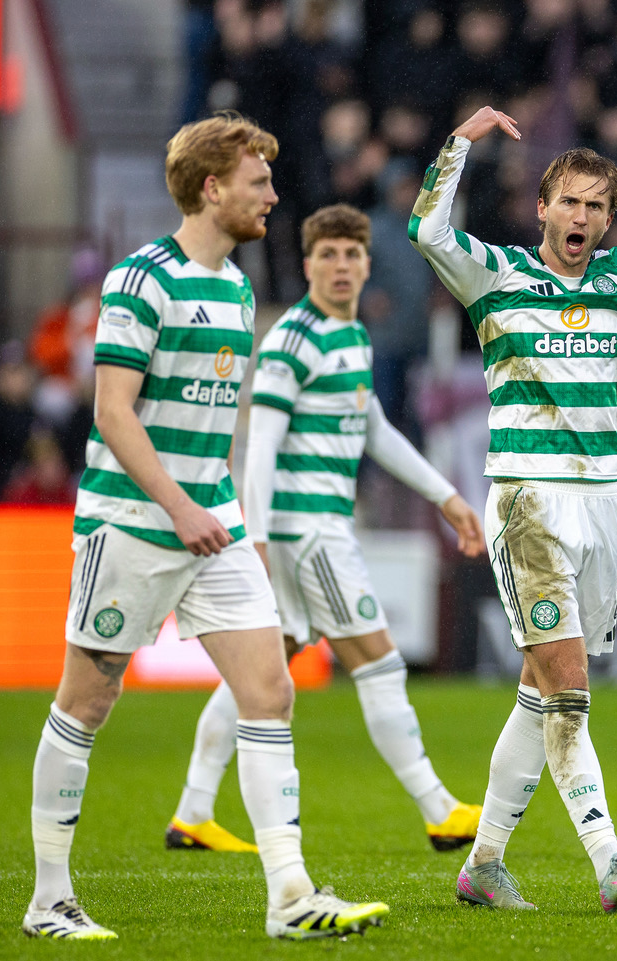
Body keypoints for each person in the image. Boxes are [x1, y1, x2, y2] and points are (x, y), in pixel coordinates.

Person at [21, 113, 389, 942]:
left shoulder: (237, 289)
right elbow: (113, 413)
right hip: (130, 521)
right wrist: (177, 505)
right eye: (259, 181)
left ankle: (290, 894)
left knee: (270, 690)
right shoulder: (140, 279)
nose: (273, 195)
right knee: (87, 699)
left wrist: (215, 506)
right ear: (212, 187)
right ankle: (48, 900)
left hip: (211, 522)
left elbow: (214, 421)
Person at [409, 82, 617, 913]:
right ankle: (608, 858)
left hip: (601, 505)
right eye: (568, 200)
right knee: (568, 687)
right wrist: (459, 142)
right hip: (528, 504)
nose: (581, 215)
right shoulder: (494, 274)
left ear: (607, 219)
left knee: (540, 690)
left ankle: (483, 863)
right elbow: (427, 230)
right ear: (541, 207)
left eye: (596, 205)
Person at [165, 202, 487, 855]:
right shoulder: (293, 339)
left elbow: (375, 431)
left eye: (351, 255)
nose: (340, 266)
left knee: (262, 669)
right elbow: (258, 445)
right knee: (380, 662)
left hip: (309, 529)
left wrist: (446, 496)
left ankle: (193, 811)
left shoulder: (353, 336)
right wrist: (255, 538)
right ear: (308, 264)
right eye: (327, 255)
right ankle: (438, 808)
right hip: (306, 532)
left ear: (367, 265)